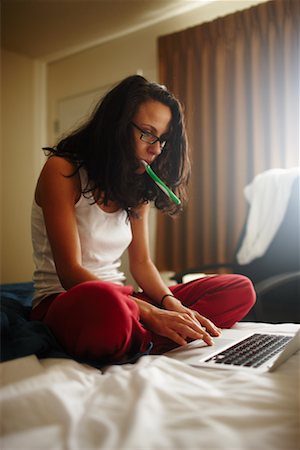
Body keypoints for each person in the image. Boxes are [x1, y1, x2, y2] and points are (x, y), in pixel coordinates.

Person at [30, 75, 255, 364]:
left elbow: (142, 263)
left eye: (162, 139)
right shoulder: (61, 171)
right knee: (109, 306)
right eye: (148, 134)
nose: (157, 149)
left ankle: (140, 337)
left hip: (127, 301)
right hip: (70, 301)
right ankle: (150, 335)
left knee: (238, 289)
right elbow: (70, 273)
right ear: (116, 126)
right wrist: (150, 313)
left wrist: (170, 304)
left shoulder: (136, 187)